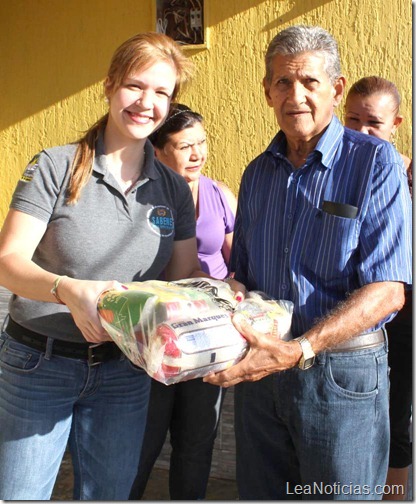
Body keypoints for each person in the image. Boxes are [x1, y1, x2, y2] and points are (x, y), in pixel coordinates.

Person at [204, 25, 412, 500]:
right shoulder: (257, 173)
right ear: (266, 92)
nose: (295, 96)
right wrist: (212, 304)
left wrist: (302, 349)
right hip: (262, 376)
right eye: (282, 82)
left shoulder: (375, 164)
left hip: (342, 379)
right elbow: (245, 277)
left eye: (309, 82)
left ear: (336, 89)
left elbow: (388, 290)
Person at [0, 32, 210, 501]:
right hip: (39, 362)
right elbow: (7, 262)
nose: (146, 102)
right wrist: (68, 290)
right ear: (110, 85)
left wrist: (223, 295)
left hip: (124, 371)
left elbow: (181, 281)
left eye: (161, 92)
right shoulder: (55, 166)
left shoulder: (173, 190)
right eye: (135, 85)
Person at [129, 104, 237, 500]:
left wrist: (234, 295)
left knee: (196, 441)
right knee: (143, 442)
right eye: (184, 145)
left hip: (206, 339)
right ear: (157, 150)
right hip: (152, 337)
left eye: (202, 143)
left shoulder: (218, 194)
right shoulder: (140, 197)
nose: (198, 153)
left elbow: (234, 261)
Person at [345, 76, 412, 500]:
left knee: (397, 407)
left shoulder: (407, 172)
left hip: (404, 309)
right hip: (351, 307)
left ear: (396, 123)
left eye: (374, 122)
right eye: (352, 120)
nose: (362, 131)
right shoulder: (334, 168)